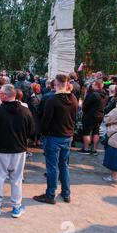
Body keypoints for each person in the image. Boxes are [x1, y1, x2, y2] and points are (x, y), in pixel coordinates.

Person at [0, 84, 33, 218]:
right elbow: (31, 132)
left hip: (1, 149)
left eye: (0, 93)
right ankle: (16, 207)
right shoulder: (25, 111)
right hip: (18, 149)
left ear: (5, 96)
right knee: (16, 179)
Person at [33, 74, 78, 205]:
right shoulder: (73, 98)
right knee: (63, 165)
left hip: (54, 137)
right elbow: (74, 118)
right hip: (67, 136)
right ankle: (66, 193)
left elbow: (45, 121)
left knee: (52, 167)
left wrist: (43, 134)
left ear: (55, 84)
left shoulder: (52, 100)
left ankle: (50, 194)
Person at [79, 79, 107, 155]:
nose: (92, 85)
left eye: (93, 84)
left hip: (91, 115)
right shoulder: (104, 94)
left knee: (86, 132)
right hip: (100, 115)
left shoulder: (94, 94)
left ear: (97, 86)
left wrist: (82, 105)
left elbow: (85, 106)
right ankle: (94, 149)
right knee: (96, 132)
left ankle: (86, 149)